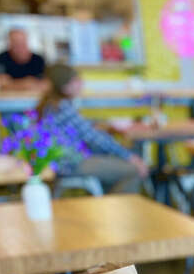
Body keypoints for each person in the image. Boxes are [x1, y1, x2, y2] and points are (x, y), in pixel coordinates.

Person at [38, 64, 147, 194]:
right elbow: (95, 138)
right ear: (65, 87)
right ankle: (116, 210)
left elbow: (84, 128)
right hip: (71, 164)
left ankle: (110, 207)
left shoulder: (53, 105)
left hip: (64, 162)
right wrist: (130, 157)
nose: (81, 84)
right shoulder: (63, 107)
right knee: (133, 169)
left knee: (115, 163)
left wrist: (98, 125)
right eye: (76, 81)